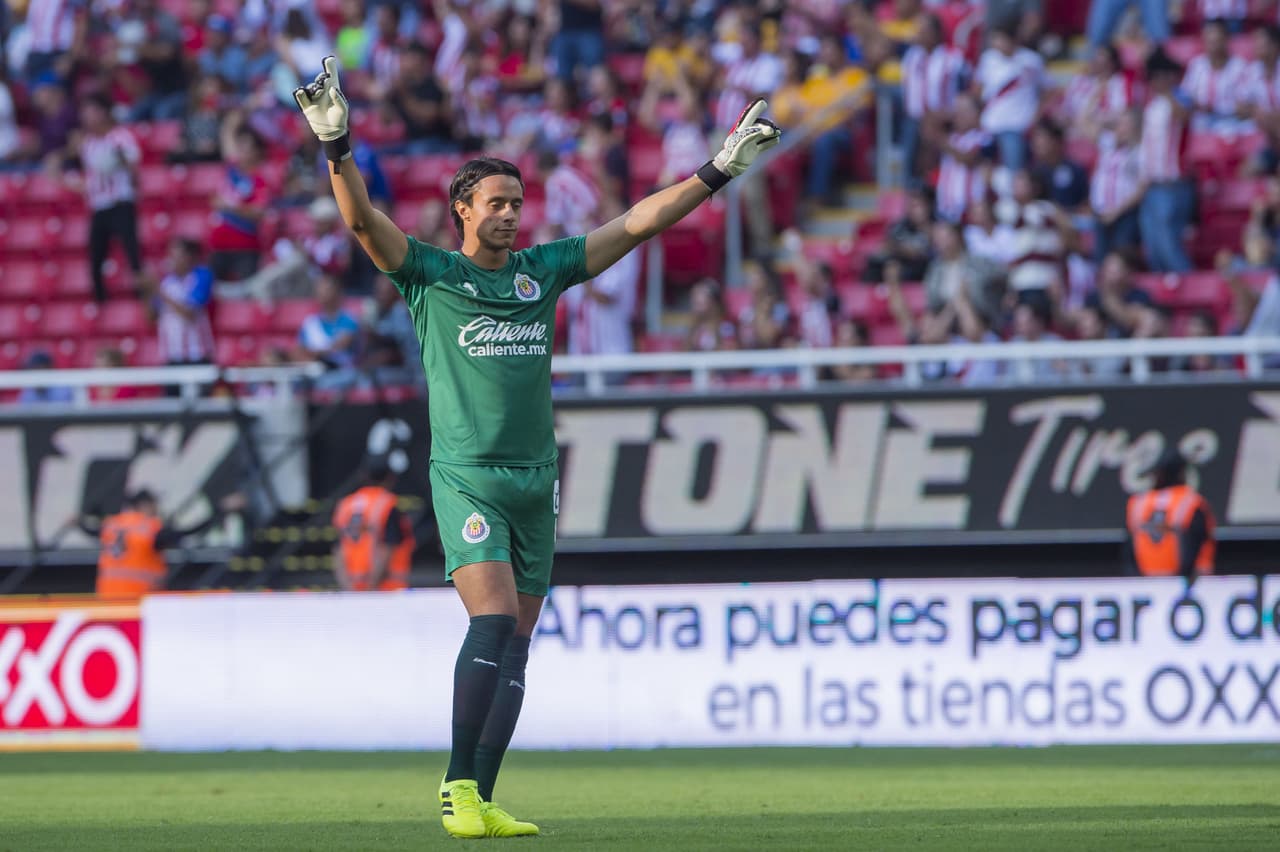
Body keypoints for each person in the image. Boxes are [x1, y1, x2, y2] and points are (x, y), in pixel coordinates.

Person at [293, 57, 777, 840]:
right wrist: (338, 145)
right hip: (469, 479)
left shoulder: (541, 274)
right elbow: (359, 224)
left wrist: (719, 170)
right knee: (488, 625)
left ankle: (482, 797)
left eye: (518, 203)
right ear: (462, 209)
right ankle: (454, 785)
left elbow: (640, 222)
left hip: (535, 481)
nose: (513, 216)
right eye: (497, 204)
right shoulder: (429, 275)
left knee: (516, 649)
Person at [48, 92, 143, 304]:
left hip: (121, 203)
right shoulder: (87, 144)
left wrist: (122, 161)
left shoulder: (121, 137)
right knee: (95, 260)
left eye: (90, 111)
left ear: (103, 112)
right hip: (99, 206)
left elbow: (134, 171)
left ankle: (143, 299)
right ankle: (101, 304)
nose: (86, 117)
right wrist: (63, 179)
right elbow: (91, 181)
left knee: (133, 255)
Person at [78, 489, 245, 600]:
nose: (157, 509)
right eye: (154, 505)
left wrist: (78, 523)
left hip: (107, 599)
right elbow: (187, 531)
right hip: (140, 600)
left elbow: (93, 532)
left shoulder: (113, 524)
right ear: (145, 505)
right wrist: (221, 509)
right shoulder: (149, 530)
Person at [1139, 48, 1193, 274]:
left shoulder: (1179, 97)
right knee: (1154, 249)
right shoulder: (1151, 106)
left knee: (1169, 247)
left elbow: (1184, 116)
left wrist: (1168, 91)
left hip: (1172, 184)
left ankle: (1192, 291)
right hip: (1152, 185)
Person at [1125, 449, 1216, 578]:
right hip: (1190, 583)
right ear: (1182, 473)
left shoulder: (1139, 504)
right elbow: (1197, 542)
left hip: (1146, 583)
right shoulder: (1190, 501)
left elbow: (1128, 552)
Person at [331, 457, 414, 591]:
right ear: (390, 477)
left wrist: (349, 589)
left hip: (353, 589)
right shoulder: (387, 504)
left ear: (363, 475)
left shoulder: (346, 505)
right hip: (386, 591)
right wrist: (370, 590)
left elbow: (339, 551)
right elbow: (387, 549)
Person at [141, 237, 215, 370]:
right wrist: (147, 293)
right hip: (171, 355)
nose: (171, 260)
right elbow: (151, 318)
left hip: (197, 354)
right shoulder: (167, 282)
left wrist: (158, 290)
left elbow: (189, 313)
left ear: (190, 256)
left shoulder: (201, 276)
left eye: (176, 255)